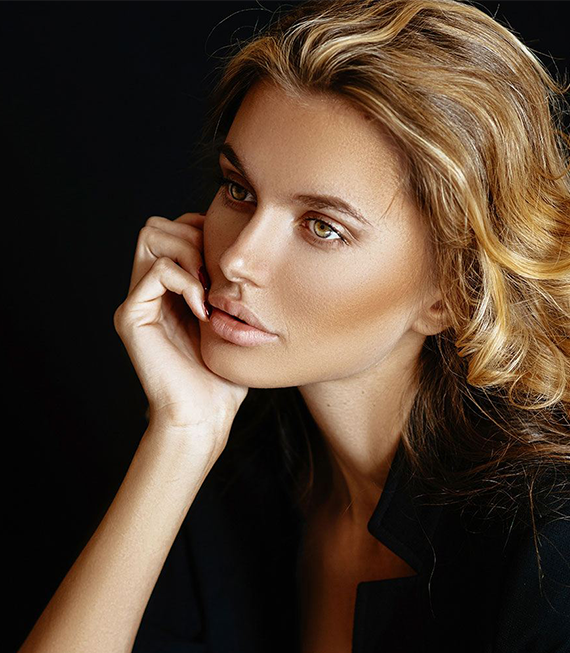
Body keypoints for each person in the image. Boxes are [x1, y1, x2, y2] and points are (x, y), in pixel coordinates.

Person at [18, 0, 570, 651]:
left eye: (322, 227)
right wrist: (181, 437)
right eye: (239, 189)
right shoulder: (239, 470)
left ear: (452, 292)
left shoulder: (549, 550)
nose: (237, 258)